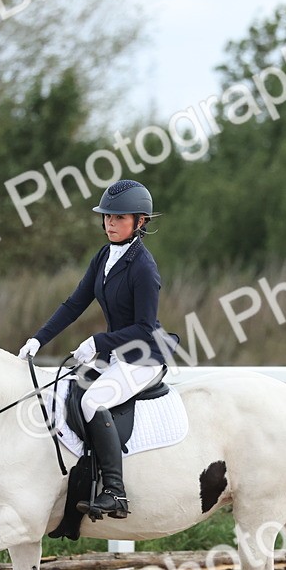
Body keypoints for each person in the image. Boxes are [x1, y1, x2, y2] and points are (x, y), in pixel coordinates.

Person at [18, 179, 176, 519]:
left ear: (140, 222)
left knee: (93, 400)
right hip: (116, 353)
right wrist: (38, 339)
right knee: (67, 388)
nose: (110, 223)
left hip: (144, 355)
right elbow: (75, 303)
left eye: (119, 218)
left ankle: (115, 493)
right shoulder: (104, 255)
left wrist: (97, 342)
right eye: (107, 217)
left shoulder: (144, 268)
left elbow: (145, 327)